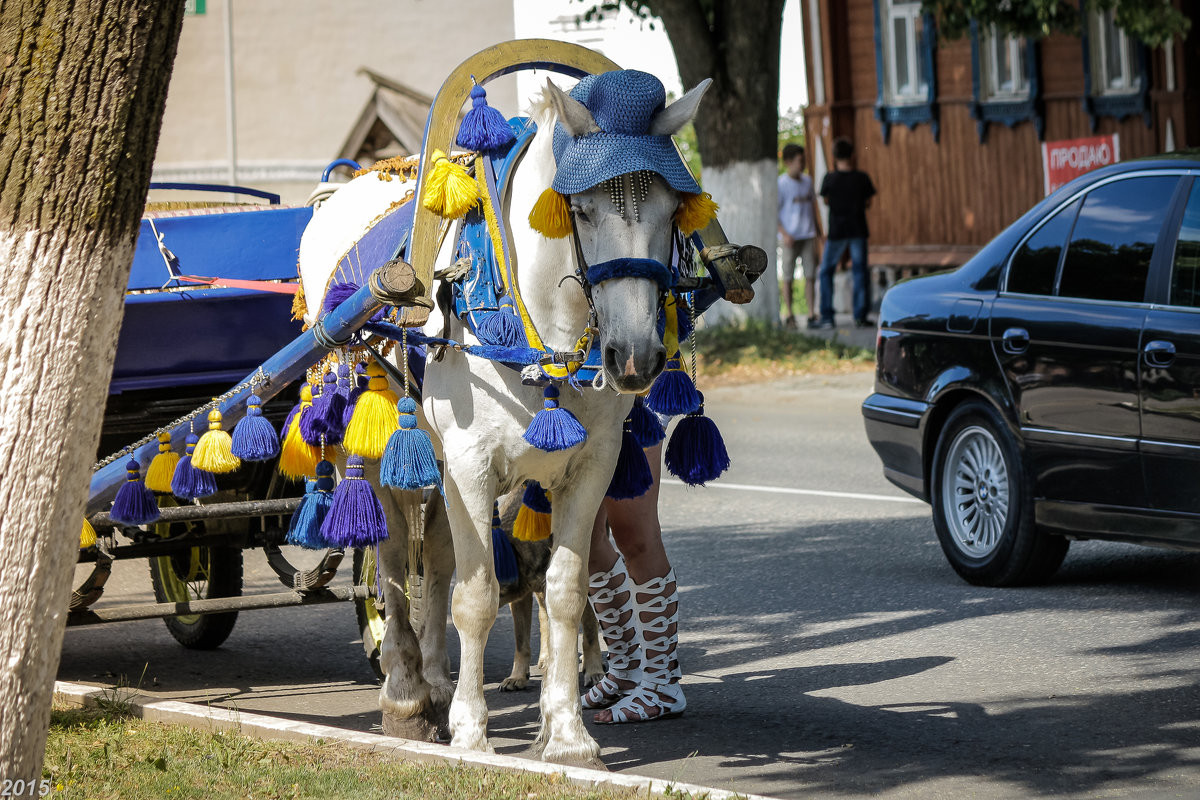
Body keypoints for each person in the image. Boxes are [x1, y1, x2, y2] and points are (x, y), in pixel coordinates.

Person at [583, 443, 684, 724]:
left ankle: (662, 686)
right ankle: (626, 671)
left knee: (635, 535)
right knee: (585, 539)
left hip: (634, 408)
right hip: (579, 403)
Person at [814, 137, 876, 329]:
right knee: (860, 272)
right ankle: (860, 315)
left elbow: (825, 200)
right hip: (858, 228)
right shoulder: (862, 178)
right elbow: (868, 203)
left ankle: (827, 316)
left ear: (834, 157)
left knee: (826, 271)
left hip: (836, 231)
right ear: (852, 155)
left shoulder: (830, 179)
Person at [777, 143, 824, 328]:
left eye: (803, 160)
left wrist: (819, 233)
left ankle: (812, 314)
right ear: (788, 162)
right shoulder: (781, 184)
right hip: (790, 237)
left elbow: (813, 208)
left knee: (810, 275)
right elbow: (775, 213)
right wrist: (784, 234)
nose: (802, 164)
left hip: (808, 235)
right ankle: (789, 314)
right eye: (799, 161)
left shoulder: (808, 181)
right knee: (788, 276)